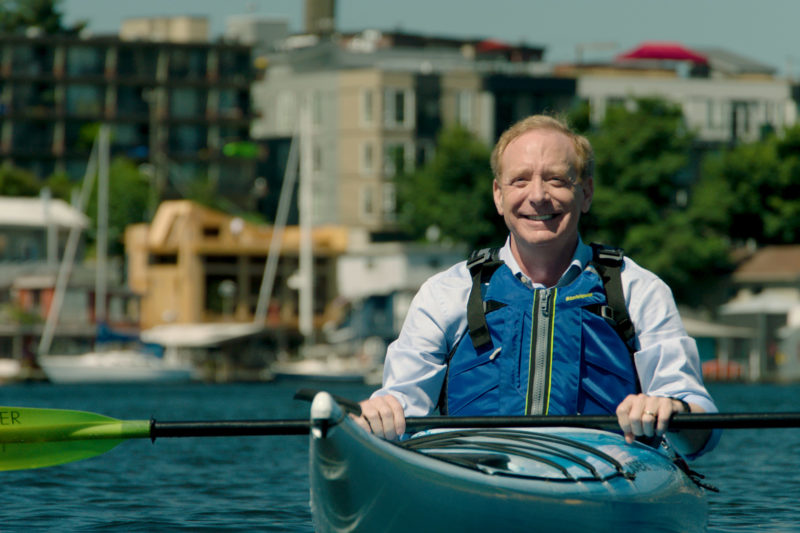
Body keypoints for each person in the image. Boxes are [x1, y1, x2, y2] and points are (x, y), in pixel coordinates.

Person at [355, 114, 719, 459]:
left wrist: (672, 409)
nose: (538, 195)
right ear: (499, 195)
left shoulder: (639, 290)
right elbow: (402, 405)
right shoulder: (445, 294)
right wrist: (382, 413)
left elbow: (701, 434)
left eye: (557, 180)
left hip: (605, 476)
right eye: (520, 180)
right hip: (475, 472)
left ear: (587, 193)